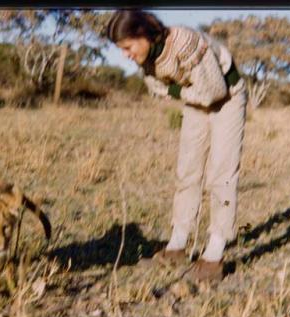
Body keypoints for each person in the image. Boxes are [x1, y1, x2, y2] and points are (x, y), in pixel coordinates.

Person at [106, 10, 247, 282]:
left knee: (222, 173)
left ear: (143, 34)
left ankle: (214, 256)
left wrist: (176, 91)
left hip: (227, 97)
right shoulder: (147, 56)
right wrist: (180, 92)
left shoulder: (183, 42)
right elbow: (155, 88)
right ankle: (177, 246)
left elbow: (213, 91)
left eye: (127, 47)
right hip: (196, 97)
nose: (125, 54)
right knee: (187, 169)